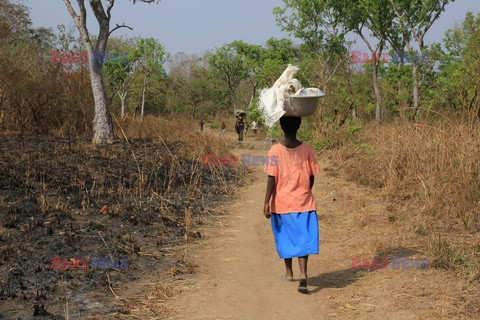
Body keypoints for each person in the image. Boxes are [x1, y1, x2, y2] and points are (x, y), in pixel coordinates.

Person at [263, 116, 320, 293]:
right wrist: (304, 191)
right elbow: (311, 176)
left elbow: (271, 178)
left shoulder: (274, 150)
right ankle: (303, 273)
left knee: (285, 237)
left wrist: (266, 200)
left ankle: (289, 273)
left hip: (282, 202)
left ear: (281, 126)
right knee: (303, 237)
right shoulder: (308, 149)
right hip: (304, 202)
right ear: (299, 126)